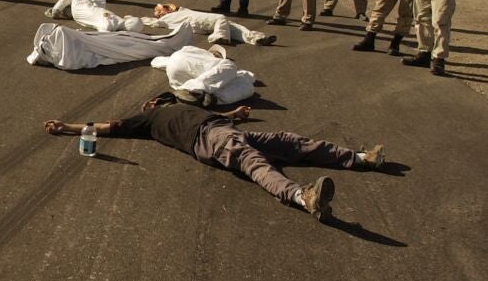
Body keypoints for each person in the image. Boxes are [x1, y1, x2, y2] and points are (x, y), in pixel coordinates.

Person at [44, 93, 386, 221]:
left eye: (154, 102)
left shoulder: (181, 108)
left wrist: (236, 114)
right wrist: (69, 127)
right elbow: (109, 127)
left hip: (224, 129)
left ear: (160, 102)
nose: (150, 105)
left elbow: (219, 116)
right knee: (254, 163)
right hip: (210, 140)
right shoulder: (148, 121)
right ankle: (301, 196)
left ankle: (359, 158)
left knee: (290, 142)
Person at [27, 21, 193, 71]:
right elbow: (73, 55)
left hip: (94, 41)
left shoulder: (57, 49)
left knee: (129, 40)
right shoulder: (63, 57)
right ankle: (170, 43)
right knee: (131, 45)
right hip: (97, 46)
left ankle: (169, 42)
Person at [151, 44, 255, 106]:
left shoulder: (189, 51)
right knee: (230, 66)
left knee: (246, 85)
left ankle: (195, 94)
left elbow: (155, 61)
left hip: (173, 70)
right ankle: (194, 92)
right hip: (182, 77)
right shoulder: (210, 58)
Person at [150, 3, 276, 46]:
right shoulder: (167, 18)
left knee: (232, 26)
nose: (164, 10)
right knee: (220, 18)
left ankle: (257, 38)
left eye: (164, 9)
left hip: (203, 22)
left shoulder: (179, 11)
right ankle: (218, 37)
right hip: (199, 21)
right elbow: (153, 21)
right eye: (160, 11)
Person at [44, 0, 142, 32]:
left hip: (82, 8)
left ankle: (56, 10)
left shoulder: (111, 23)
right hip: (84, 14)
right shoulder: (115, 24)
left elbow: (104, 34)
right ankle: (68, 7)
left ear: (129, 21)